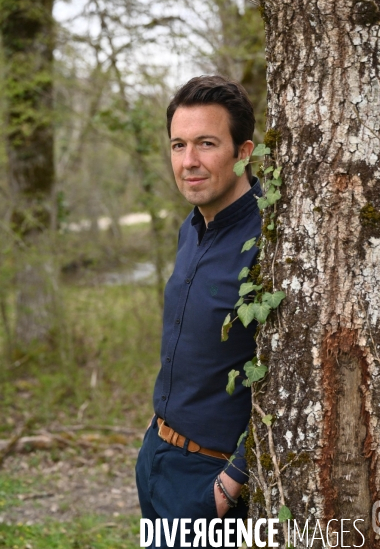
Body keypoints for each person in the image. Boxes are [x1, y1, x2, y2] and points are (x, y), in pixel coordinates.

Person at [135, 75, 262, 547]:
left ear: (243, 151)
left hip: (211, 483)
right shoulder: (192, 227)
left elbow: (297, 378)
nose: (189, 162)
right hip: (158, 458)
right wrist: (155, 436)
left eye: (206, 144)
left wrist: (231, 483)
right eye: (178, 145)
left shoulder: (270, 242)